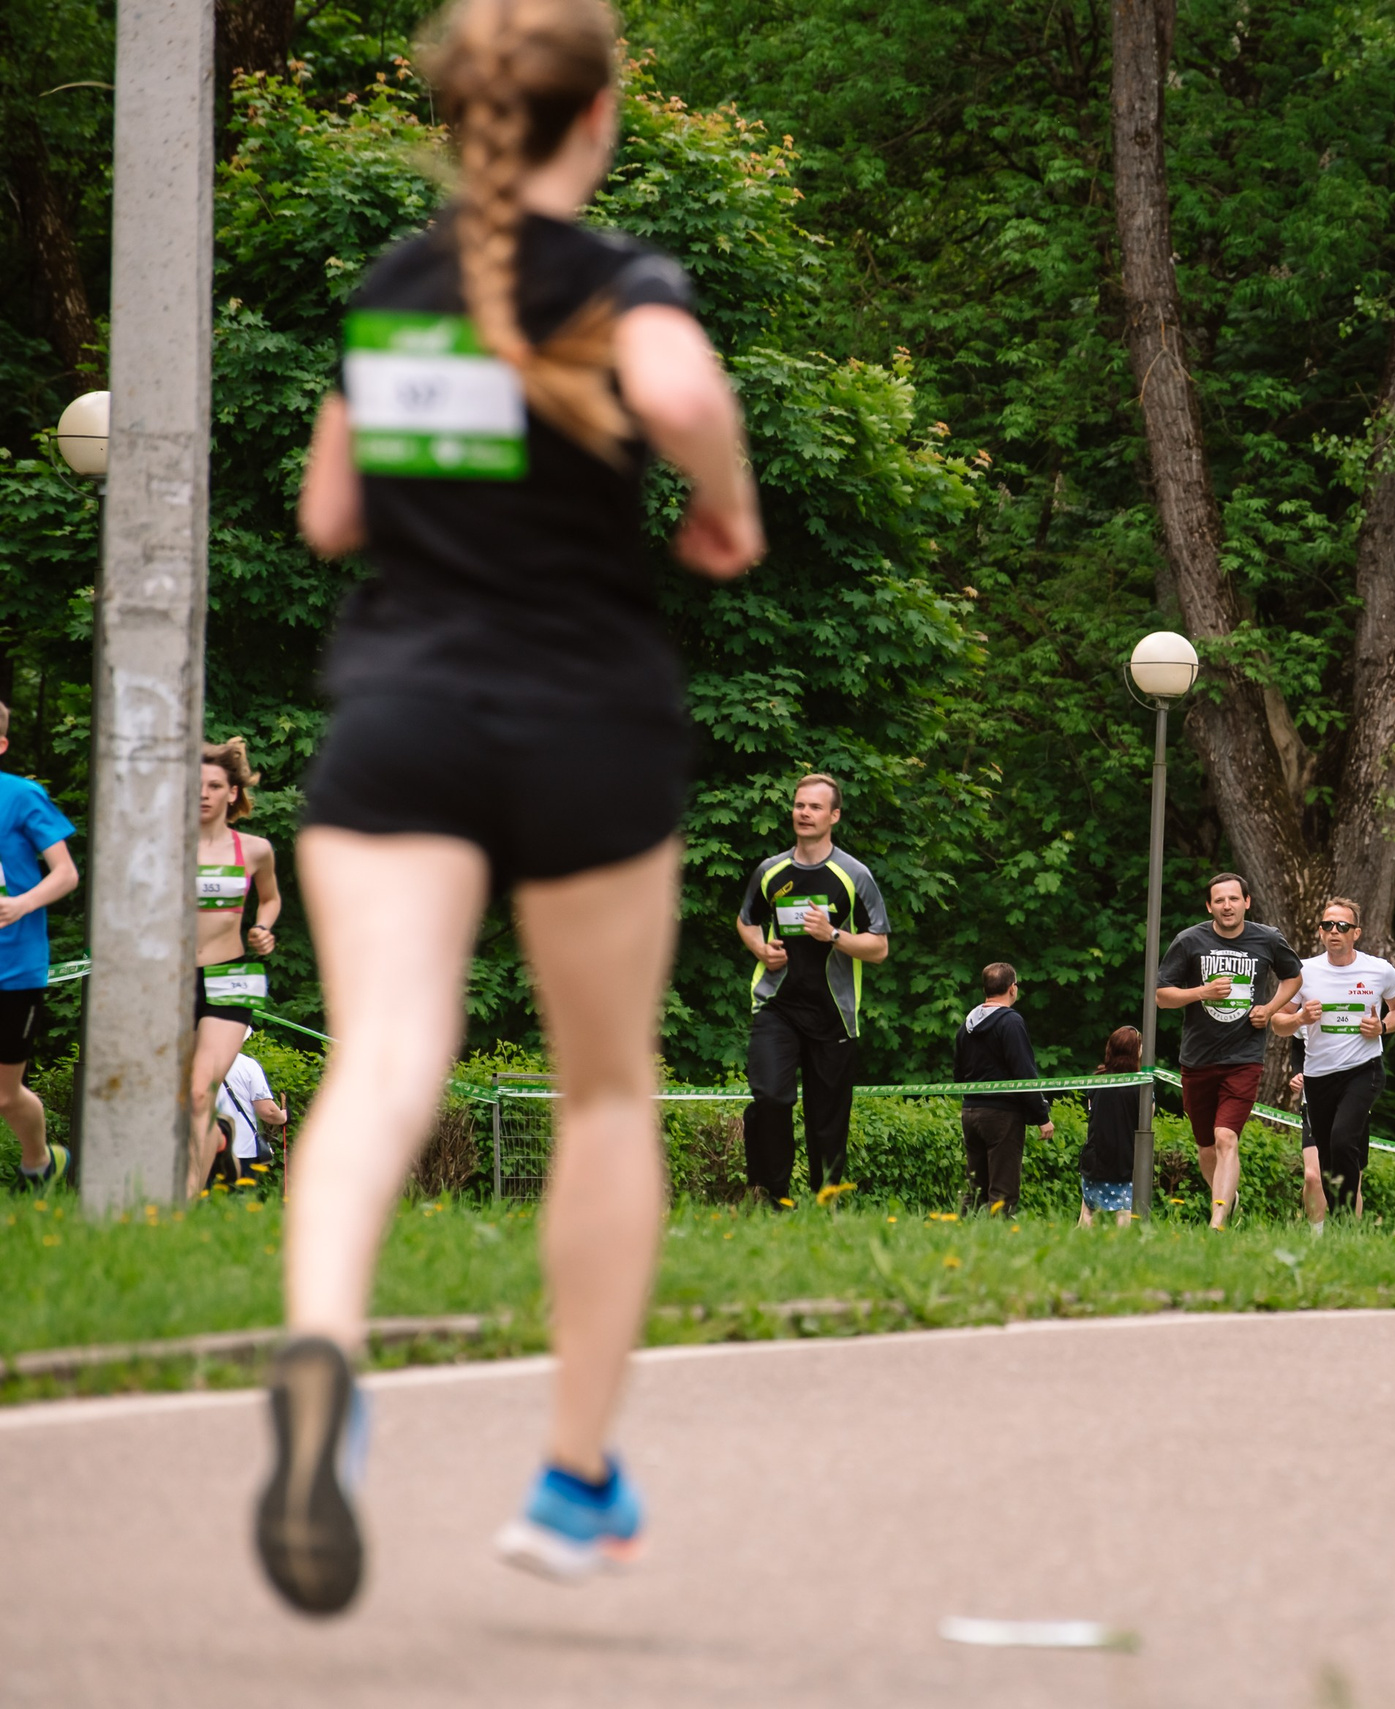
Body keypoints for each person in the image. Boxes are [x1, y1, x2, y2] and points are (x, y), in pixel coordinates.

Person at [268, 0, 763, 1614]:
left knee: (381, 1059)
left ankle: (326, 1353)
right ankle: (570, 1476)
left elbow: (330, 510)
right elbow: (685, 392)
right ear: (597, 115)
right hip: (586, 721)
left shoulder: (399, 291)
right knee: (606, 1091)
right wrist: (722, 514)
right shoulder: (618, 283)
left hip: (399, 719)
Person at [734, 774, 892, 1207]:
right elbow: (746, 921)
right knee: (769, 1095)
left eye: (815, 807)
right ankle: (774, 1194)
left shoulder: (854, 875)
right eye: (800, 805)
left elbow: (879, 947)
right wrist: (761, 950)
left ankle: (825, 1200)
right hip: (776, 1006)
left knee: (827, 1119)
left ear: (834, 816)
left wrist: (833, 936)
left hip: (833, 1013)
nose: (804, 813)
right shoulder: (770, 870)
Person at [1155, 873, 1301, 1230]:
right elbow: (1162, 996)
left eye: (1234, 899)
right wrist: (1201, 992)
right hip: (1198, 1058)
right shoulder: (1189, 941)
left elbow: (1293, 977)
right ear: (1209, 907)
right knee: (1206, 1146)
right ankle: (1228, 1198)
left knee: (1226, 1137)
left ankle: (1217, 1221)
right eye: (1219, 900)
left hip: (1243, 1058)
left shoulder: (1267, 938)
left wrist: (1270, 1009)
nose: (1227, 906)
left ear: (1247, 902)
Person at [1272, 898, 1395, 1233]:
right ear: (1320, 932)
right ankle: (1338, 1225)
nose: (1335, 931)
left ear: (1356, 933)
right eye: (1328, 925)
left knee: (1342, 1139)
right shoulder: (1303, 972)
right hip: (1318, 1076)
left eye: (1342, 926)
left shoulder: (1379, 970)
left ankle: (1346, 1223)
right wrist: (1300, 1017)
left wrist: (1383, 1027)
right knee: (1326, 1159)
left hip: (1364, 1070)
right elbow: (1277, 1021)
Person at [191, 741, 283, 1193]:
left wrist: (263, 928)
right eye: (197, 786)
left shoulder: (256, 849)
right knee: (180, 1097)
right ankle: (220, 1137)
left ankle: (181, 1208)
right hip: (173, 979)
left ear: (232, 792)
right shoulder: (165, 847)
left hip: (232, 975)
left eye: (214, 785)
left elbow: (270, 898)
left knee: (199, 1091)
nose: (204, 794)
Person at [0, 701, 77, 1192]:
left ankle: (40, 1162)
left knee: (5, 1097)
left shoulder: (23, 796)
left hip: (15, 967)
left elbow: (66, 873)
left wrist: (21, 905)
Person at [954, 962, 1053, 1217]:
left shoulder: (966, 1025)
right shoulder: (1011, 1022)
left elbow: (958, 1073)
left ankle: (962, 1235)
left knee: (976, 1187)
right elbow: (1024, 1072)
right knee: (1003, 1191)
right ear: (1012, 988)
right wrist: (1041, 1116)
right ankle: (998, 1244)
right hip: (1002, 1115)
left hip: (971, 1112)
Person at [1080, 1026, 1143, 1228]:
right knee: (1124, 1212)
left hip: (1095, 1157)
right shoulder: (1140, 1085)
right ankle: (1120, 1253)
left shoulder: (1097, 1080)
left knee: (1088, 1210)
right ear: (1136, 1051)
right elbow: (1146, 1121)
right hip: (1124, 1160)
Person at [213, 1047, 289, 1189]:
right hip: (241, 1150)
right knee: (238, 1202)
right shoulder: (247, 1065)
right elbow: (268, 1111)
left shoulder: (194, 1062)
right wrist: (283, 1117)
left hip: (203, 1149)